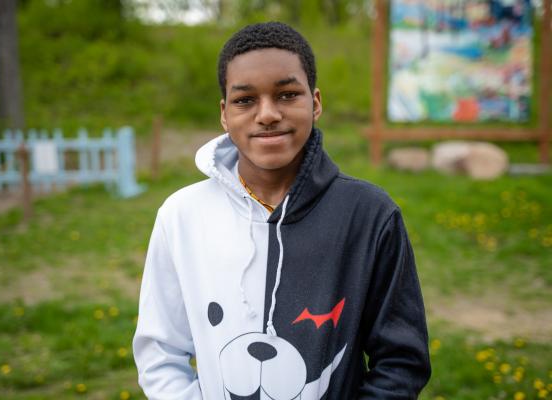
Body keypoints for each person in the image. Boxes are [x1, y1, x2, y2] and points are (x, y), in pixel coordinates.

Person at [133, 21, 431, 399]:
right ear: (224, 114)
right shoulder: (181, 216)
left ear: (316, 102)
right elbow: (160, 352)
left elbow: (401, 361)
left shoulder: (370, 216)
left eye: (288, 95)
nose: (268, 113)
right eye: (245, 100)